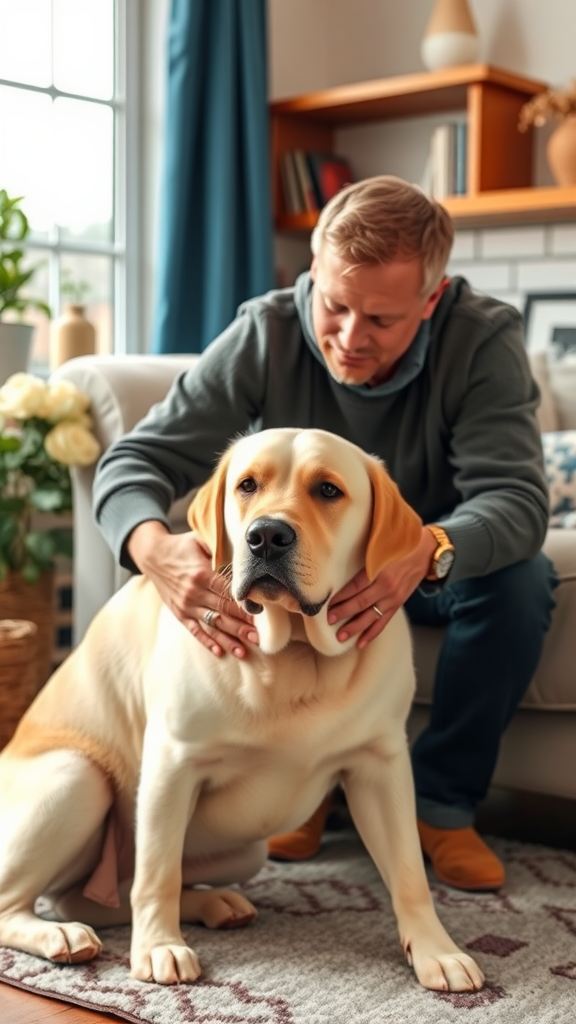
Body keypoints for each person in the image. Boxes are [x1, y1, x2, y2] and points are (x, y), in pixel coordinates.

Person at [93, 175, 557, 892]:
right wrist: (154, 551)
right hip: (293, 571)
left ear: (432, 301)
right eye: (334, 305)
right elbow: (137, 460)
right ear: (313, 272)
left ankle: (441, 803)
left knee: (524, 581)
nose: (347, 337)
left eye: (381, 320)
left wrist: (427, 552)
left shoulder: (482, 338)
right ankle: (307, 793)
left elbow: (517, 499)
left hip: (415, 569)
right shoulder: (266, 330)